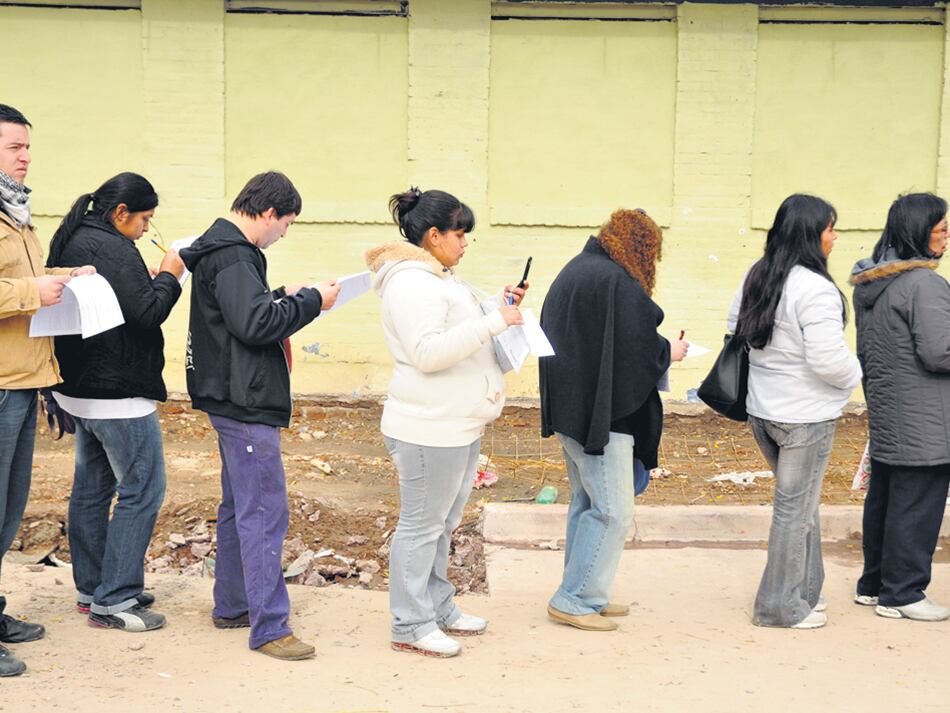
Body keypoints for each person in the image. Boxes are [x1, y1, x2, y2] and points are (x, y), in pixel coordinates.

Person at [180, 171, 340, 661]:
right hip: (246, 400)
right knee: (266, 511)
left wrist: (283, 293)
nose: (284, 233)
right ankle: (270, 627)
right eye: (286, 223)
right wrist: (311, 302)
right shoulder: (234, 256)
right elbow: (254, 325)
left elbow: (239, 313)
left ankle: (234, 604)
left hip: (230, 395)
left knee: (239, 506)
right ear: (269, 213)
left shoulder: (225, 251)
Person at [364, 187, 525, 658]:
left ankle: (437, 606)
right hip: (427, 427)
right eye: (460, 234)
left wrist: (495, 306)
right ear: (434, 235)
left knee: (441, 524)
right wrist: (494, 321)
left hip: (455, 424)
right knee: (421, 526)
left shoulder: (441, 278)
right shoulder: (412, 284)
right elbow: (428, 353)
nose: (465, 243)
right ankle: (411, 623)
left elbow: (458, 330)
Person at [46, 172, 185, 632]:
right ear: (120, 212)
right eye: (144, 219)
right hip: (117, 393)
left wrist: (147, 282)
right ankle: (116, 600)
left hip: (78, 390)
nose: (146, 229)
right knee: (143, 489)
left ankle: (93, 589)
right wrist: (170, 275)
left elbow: (123, 300)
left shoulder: (74, 236)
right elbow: (147, 313)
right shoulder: (113, 246)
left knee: (91, 491)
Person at [540, 208, 688, 632]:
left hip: (571, 410)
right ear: (642, 248)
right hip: (601, 420)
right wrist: (669, 352)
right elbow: (636, 349)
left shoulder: (579, 269)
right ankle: (575, 598)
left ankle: (584, 590)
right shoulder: (615, 281)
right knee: (614, 512)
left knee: (586, 503)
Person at [728, 194, 861, 630]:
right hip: (805, 417)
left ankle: (806, 593)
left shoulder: (758, 274)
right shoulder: (815, 288)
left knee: (801, 506)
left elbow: (733, 330)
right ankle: (777, 607)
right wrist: (856, 374)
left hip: (763, 412)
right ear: (809, 234)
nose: (835, 237)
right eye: (830, 228)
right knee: (794, 511)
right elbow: (828, 360)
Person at [0, 104, 95, 676]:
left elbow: (20, 280)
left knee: (9, 510)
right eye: (15, 147)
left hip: (23, 380)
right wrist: (32, 292)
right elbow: (16, 289)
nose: (26, 157)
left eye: (28, 147)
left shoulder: (16, 213)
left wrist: (63, 278)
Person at [850, 192, 950, 622]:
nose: (947, 237)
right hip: (927, 417)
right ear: (918, 232)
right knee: (918, 505)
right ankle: (903, 593)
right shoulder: (924, 284)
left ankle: (874, 585)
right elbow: (939, 352)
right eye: (941, 229)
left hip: (889, 409)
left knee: (886, 498)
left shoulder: (872, 283)